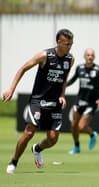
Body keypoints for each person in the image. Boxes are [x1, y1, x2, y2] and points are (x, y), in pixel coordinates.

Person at [2, 28, 74, 174]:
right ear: (59, 42)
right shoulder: (45, 55)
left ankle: (37, 149)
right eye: (67, 44)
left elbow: (64, 79)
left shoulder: (70, 59)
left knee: (53, 139)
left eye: (71, 44)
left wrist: (62, 95)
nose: (70, 46)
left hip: (54, 104)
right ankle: (14, 161)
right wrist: (11, 89)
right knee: (29, 132)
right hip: (38, 101)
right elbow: (23, 68)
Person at [67, 48, 99, 154]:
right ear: (84, 56)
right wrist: (62, 85)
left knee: (81, 126)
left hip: (91, 103)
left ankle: (92, 134)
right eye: (88, 55)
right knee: (73, 125)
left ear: (94, 57)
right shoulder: (79, 68)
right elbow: (72, 80)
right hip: (79, 101)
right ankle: (76, 147)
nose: (90, 57)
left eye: (91, 55)